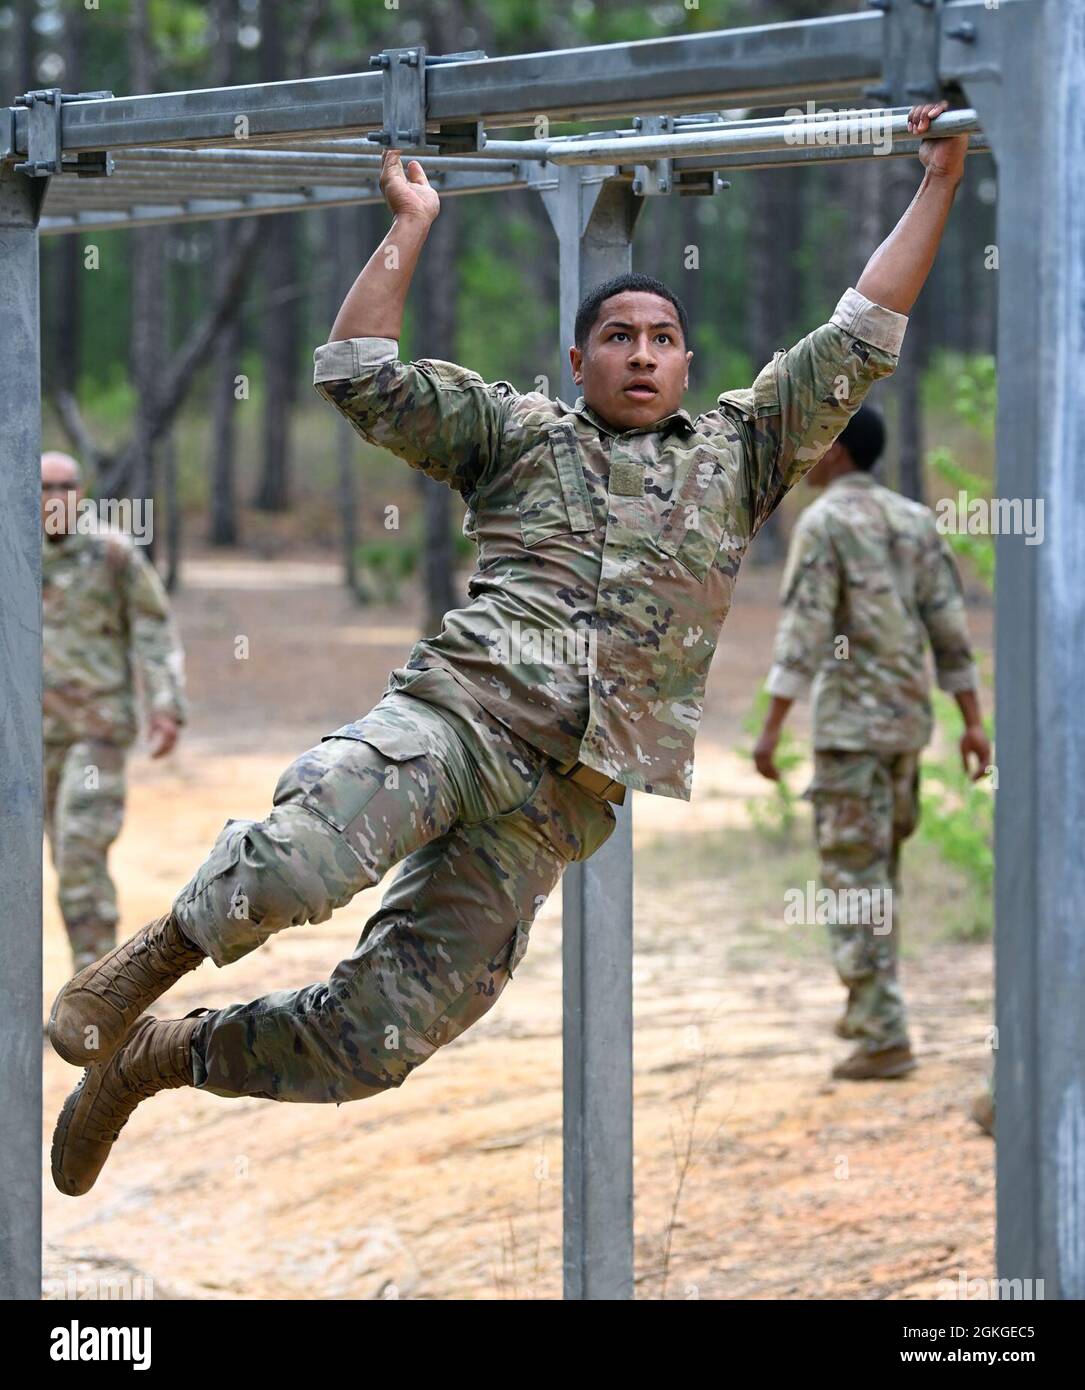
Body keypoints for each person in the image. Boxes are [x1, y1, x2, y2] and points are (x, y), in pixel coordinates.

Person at [50, 102, 969, 1196]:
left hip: (560, 799)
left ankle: (163, 1056)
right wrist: (411, 223)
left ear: (686, 363)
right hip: (458, 721)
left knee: (376, 1037)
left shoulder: (742, 453)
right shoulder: (520, 435)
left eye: (661, 339)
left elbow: (862, 328)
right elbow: (355, 370)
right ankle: (148, 963)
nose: (640, 354)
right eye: (617, 338)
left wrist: (939, 182)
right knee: (299, 858)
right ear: (577, 360)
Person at [752, 406, 991, 1081]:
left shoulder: (823, 522)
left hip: (850, 736)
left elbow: (803, 632)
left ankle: (882, 1031)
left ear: (836, 452)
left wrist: (770, 729)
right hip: (905, 729)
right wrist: (971, 722)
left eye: (814, 443)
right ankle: (869, 1010)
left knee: (853, 881)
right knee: (878, 874)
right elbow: (949, 628)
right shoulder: (913, 520)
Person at [41, 450, 186, 974]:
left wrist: (166, 706)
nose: (55, 498)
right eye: (44, 487)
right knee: (50, 861)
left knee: (80, 853)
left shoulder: (111, 553)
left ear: (80, 492)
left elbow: (153, 628)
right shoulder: (16, 551)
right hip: (27, 741)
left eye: (66, 486)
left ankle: (94, 999)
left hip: (95, 732)